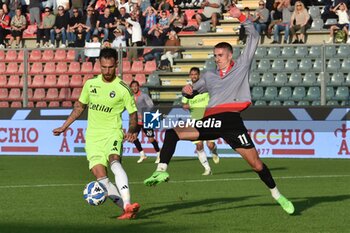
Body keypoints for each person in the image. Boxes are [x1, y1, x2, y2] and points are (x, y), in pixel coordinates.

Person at [143, 5, 295, 215]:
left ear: (230, 55)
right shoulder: (208, 76)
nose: (217, 58)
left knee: (256, 164)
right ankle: (161, 171)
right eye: (215, 55)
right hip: (212, 119)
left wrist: (240, 16)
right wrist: (187, 91)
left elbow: (254, 36)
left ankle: (277, 194)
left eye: (221, 55)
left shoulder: (241, 66)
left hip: (232, 121)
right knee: (173, 132)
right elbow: (191, 92)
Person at [53, 48, 140, 220]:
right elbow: (79, 107)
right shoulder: (90, 84)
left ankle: (128, 202)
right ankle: (127, 209)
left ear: (116, 65)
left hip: (113, 133)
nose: (107, 71)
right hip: (93, 137)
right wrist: (65, 126)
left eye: (110, 67)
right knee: (101, 177)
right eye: (103, 67)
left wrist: (131, 131)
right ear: (99, 65)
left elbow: (133, 114)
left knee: (114, 161)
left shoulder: (123, 88)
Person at [182, 67, 220, 175]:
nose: (193, 76)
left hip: (207, 118)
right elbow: (183, 103)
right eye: (192, 74)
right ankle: (207, 168)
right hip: (195, 120)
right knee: (199, 145)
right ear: (189, 75)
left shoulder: (205, 87)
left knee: (210, 145)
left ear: (199, 75)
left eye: (195, 74)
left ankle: (214, 151)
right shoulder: (188, 90)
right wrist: (186, 106)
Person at [129, 80, 161, 163]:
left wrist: (144, 113)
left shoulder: (144, 96)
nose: (134, 88)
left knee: (151, 139)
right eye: (132, 86)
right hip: (137, 121)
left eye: (136, 86)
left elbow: (151, 105)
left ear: (138, 86)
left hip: (146, 120)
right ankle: (142, 154)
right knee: (133, 137)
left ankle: (158, 154)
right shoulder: (130, 96)